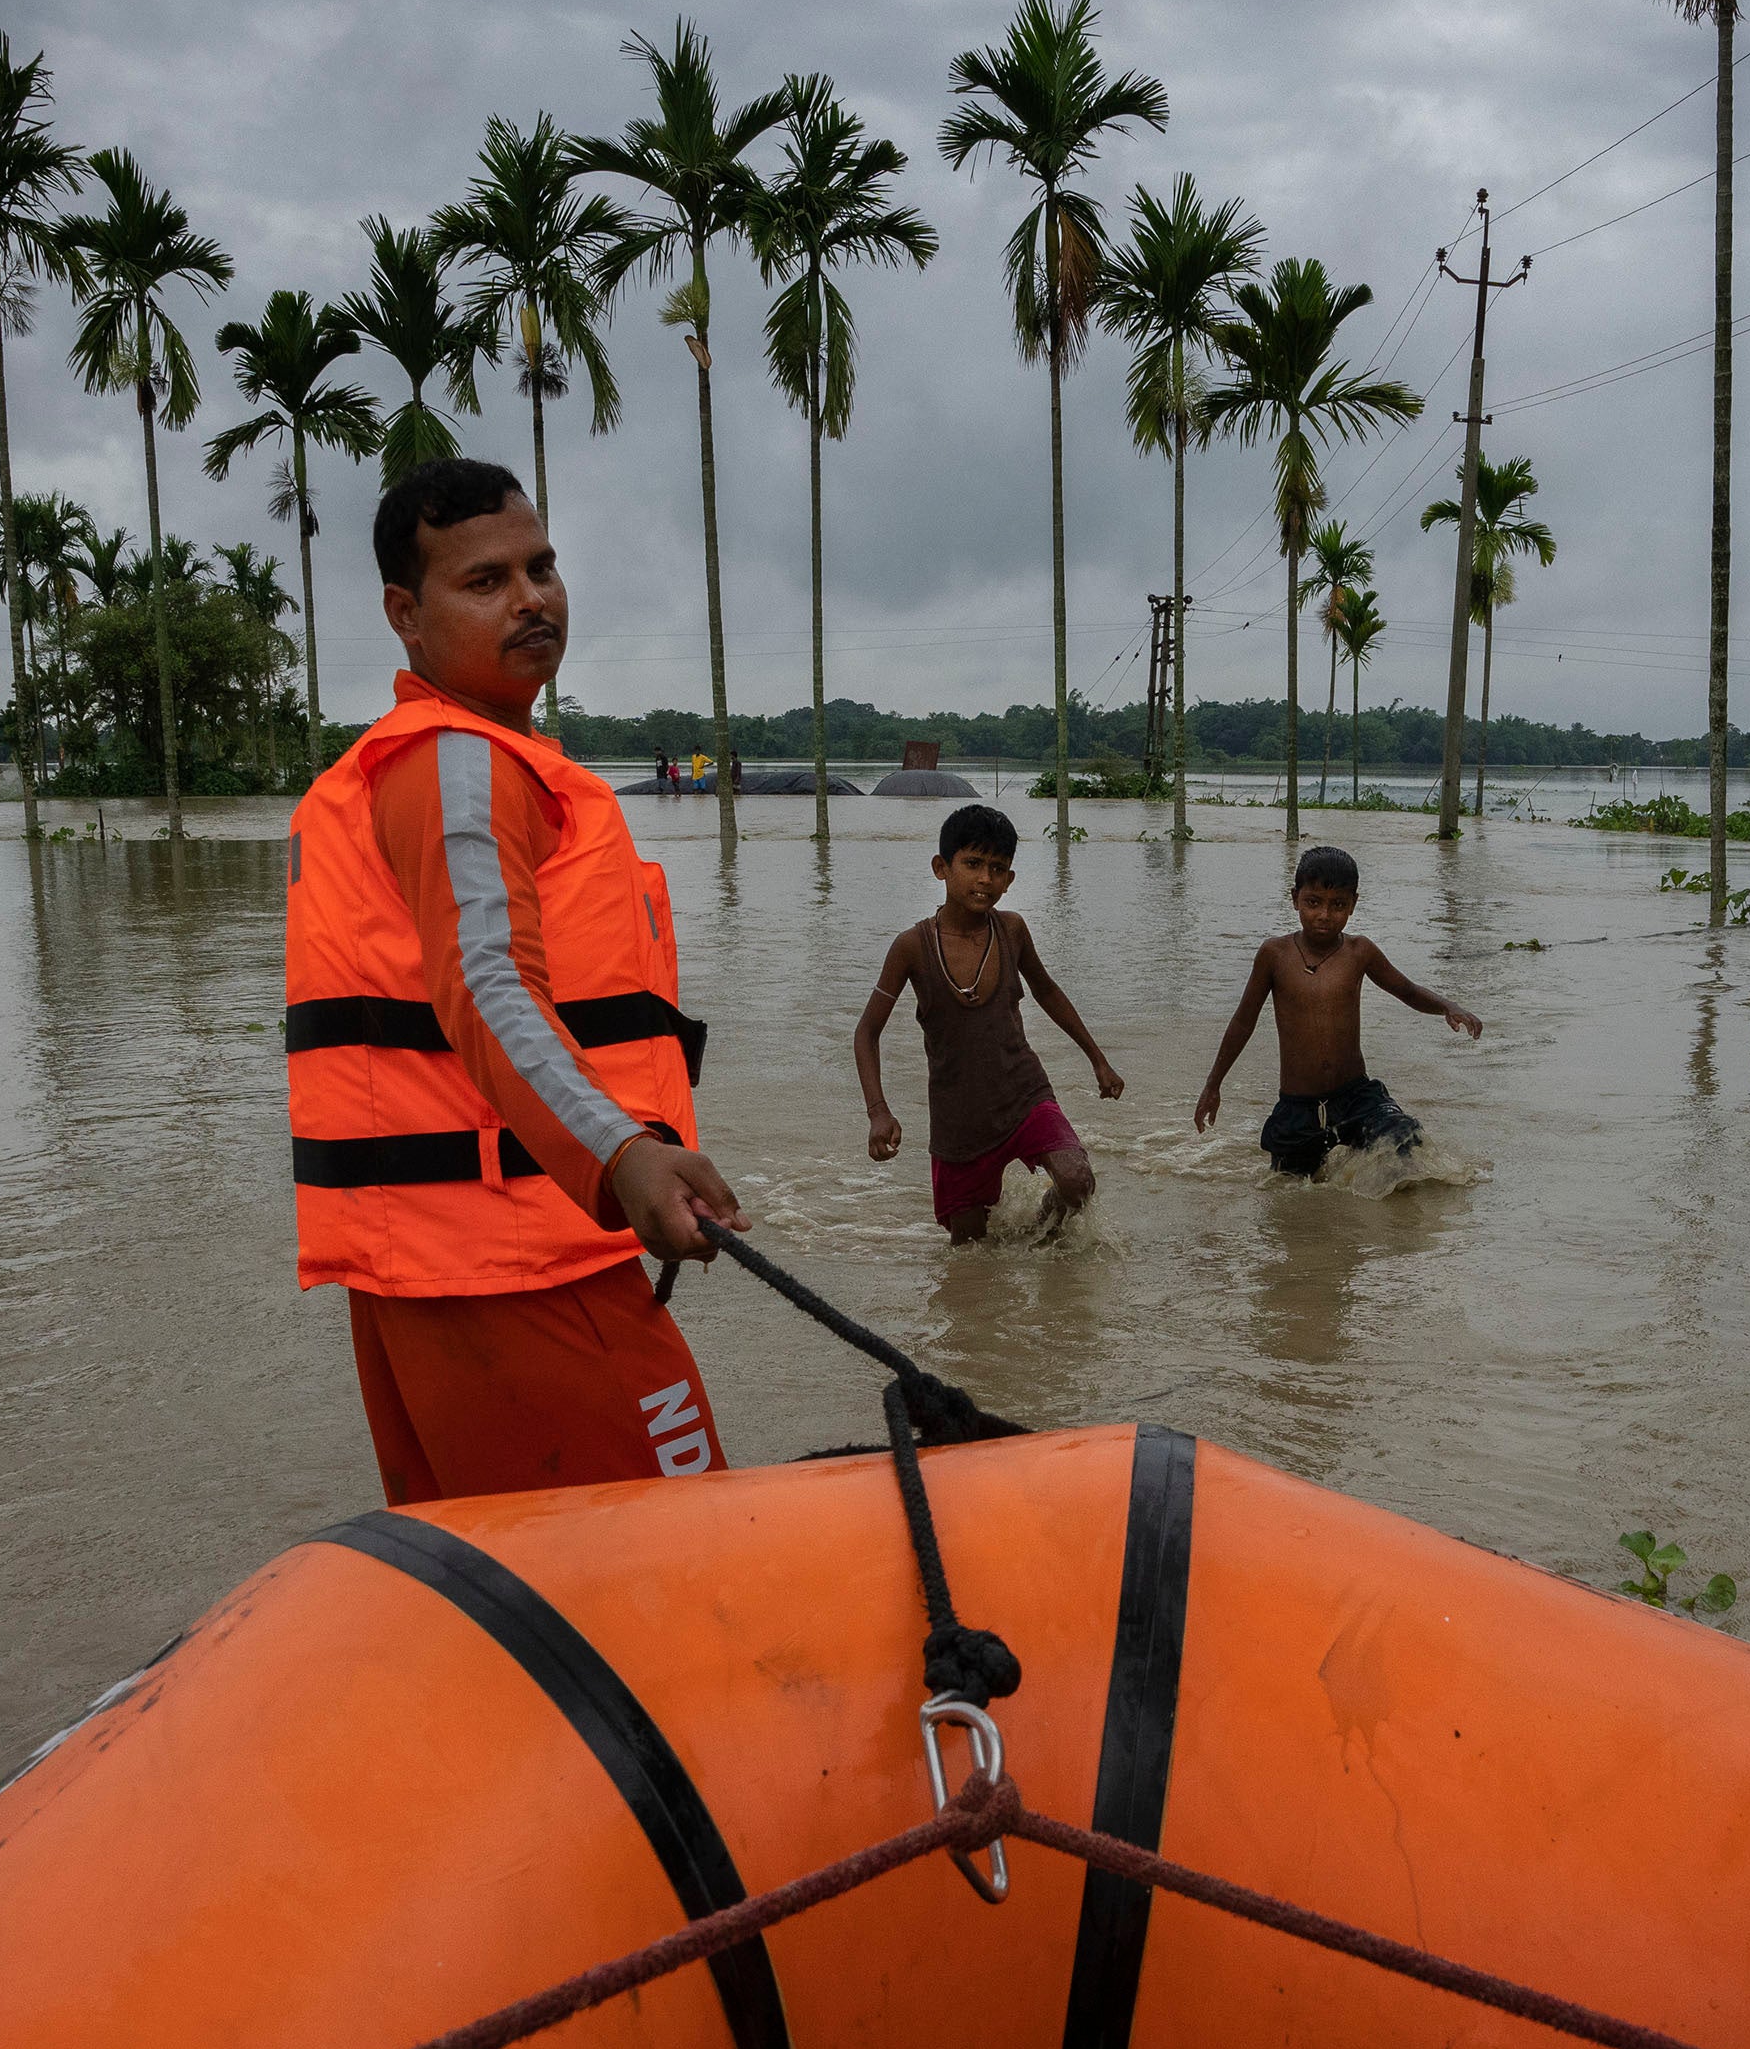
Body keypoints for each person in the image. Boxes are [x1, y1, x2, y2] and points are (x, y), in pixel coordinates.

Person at [284, 457, 749, 1506]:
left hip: (432, 1278)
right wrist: (622, 1155)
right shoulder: (458, 762)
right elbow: (485, 985)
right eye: (485, 581)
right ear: (406, 614)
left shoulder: (457, 761)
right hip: (522, 1272)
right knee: (693, 1548)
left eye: (541, 567)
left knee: (506, 1591)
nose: (532, 597)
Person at [853, 802, 1127, 1241]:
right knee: (970, 1249)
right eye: (973, 864)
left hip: (1023, 1092)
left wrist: (1098, 1059)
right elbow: (867, 1033)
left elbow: (1048, 991)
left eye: (998, 869)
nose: (985, 879)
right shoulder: (912, 947)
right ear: (942, 867)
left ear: (1010, 879)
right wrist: (878, 1112)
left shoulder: (1012, 931)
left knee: (1077, 1182)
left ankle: (1044, 1237)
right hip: (958, 1118)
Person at [1192, 846, 1482, 1174]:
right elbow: (1243, 1022)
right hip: (1297, 1107)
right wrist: (1213, 1085)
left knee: (1407, 1148)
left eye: (1338, 905)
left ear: (1353, 904)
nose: (1325, 915)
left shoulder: (1360, 952)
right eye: (1313, 902)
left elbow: (1407, 990)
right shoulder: (1275, 954)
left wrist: (1448, 1006)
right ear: (1295, 899)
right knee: (1294, 1191)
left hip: (1356, 1098)